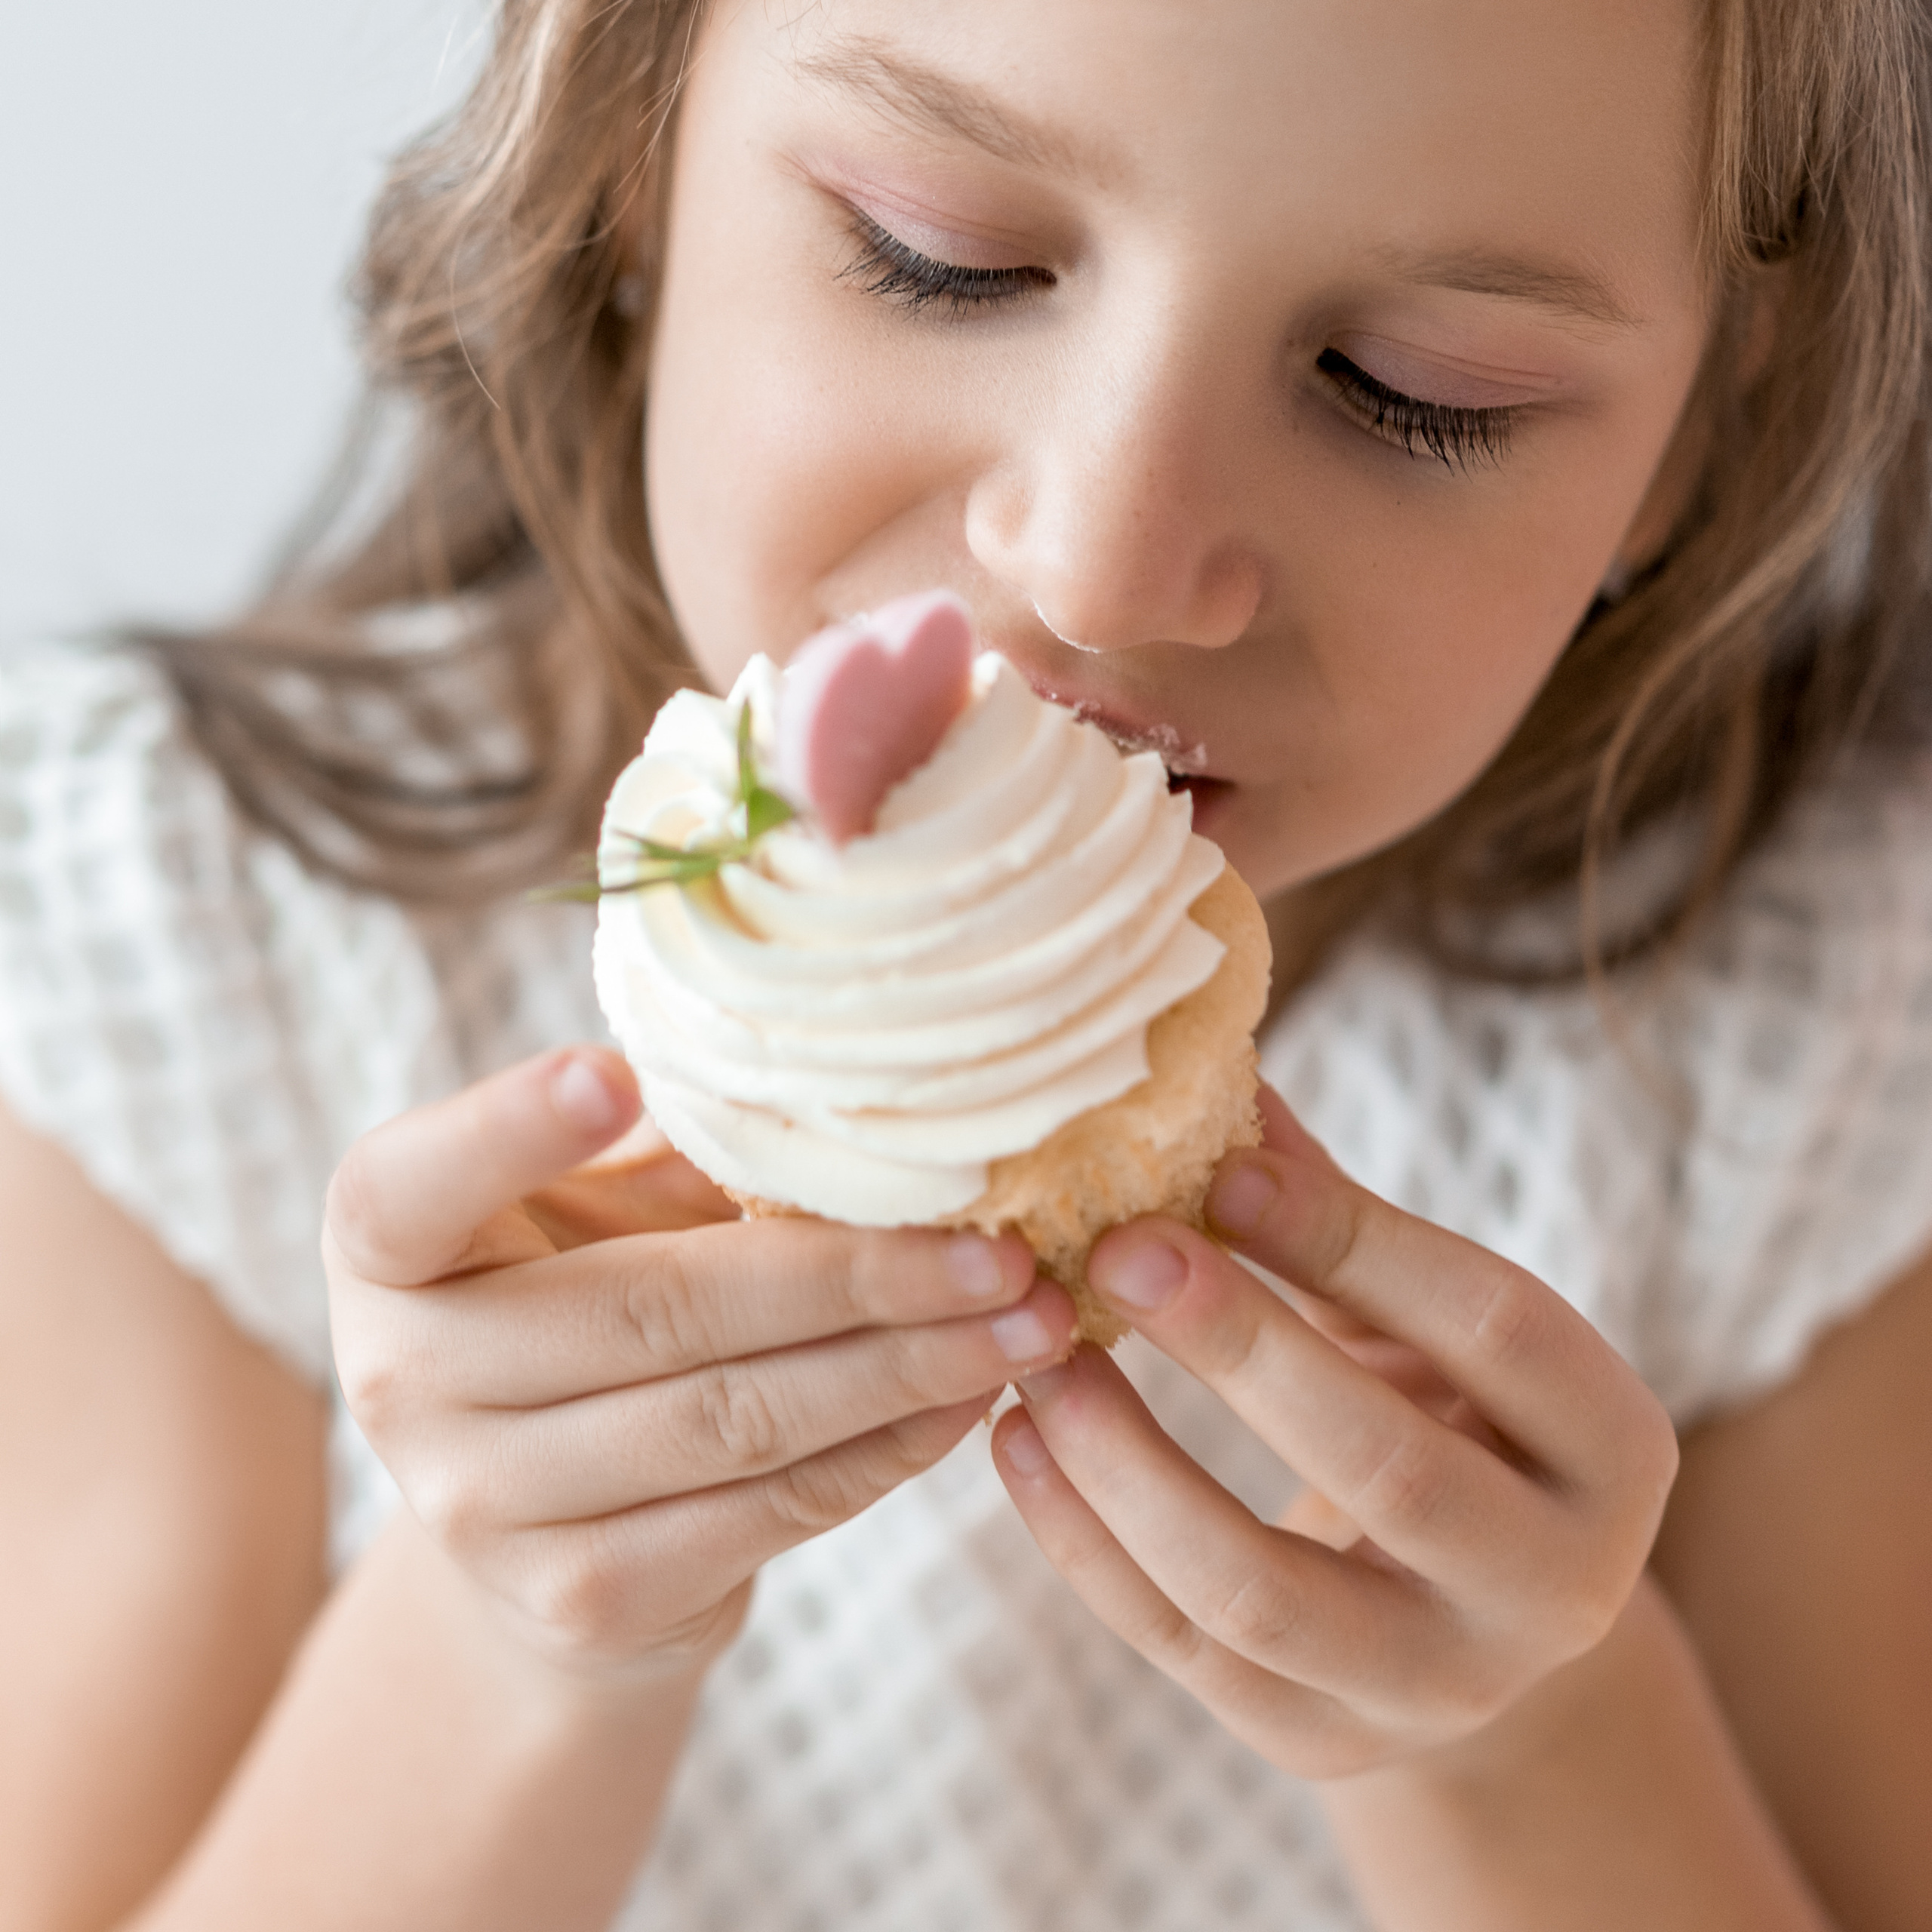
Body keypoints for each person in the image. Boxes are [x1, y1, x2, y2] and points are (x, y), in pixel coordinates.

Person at [3, 0, 1929, 1926]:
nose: (1097, 557)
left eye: (1409, 389)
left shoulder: (1812, 1041)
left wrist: (1517, 1735)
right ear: (631, 138)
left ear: (1703, 427)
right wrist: (518, 1641)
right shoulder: (185, 948)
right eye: (945, 260)